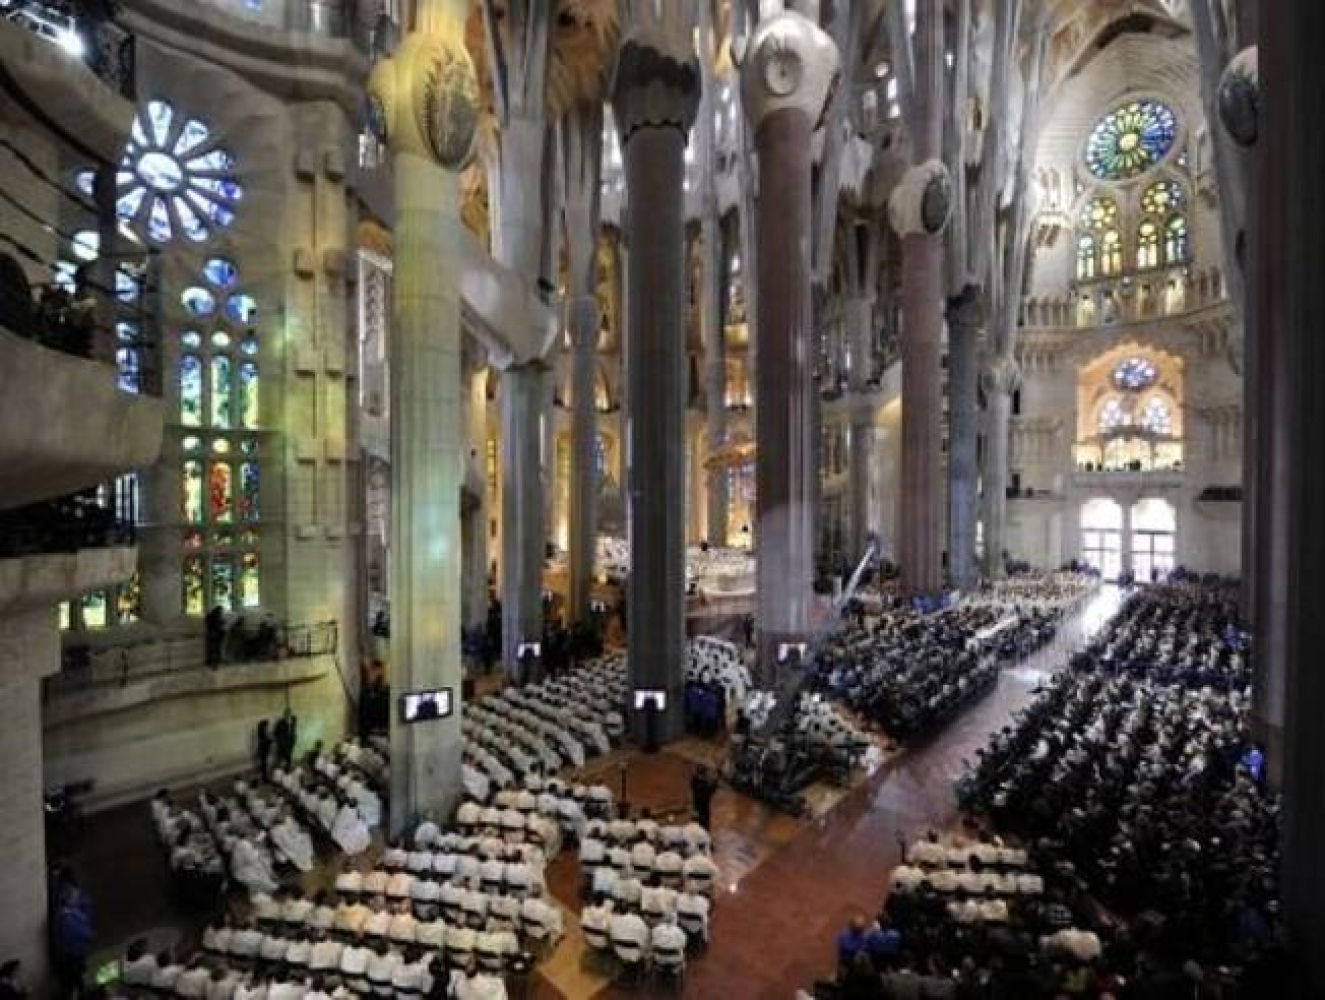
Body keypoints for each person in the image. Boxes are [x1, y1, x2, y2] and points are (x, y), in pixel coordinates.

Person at [690, 764, 718, 830]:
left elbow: (692, 782)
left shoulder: (696, 782)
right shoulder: (704, 785)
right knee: (703, 823)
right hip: (703, 809)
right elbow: (711, 790)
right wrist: (716, 781)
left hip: (696, 806)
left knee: (696, 821)